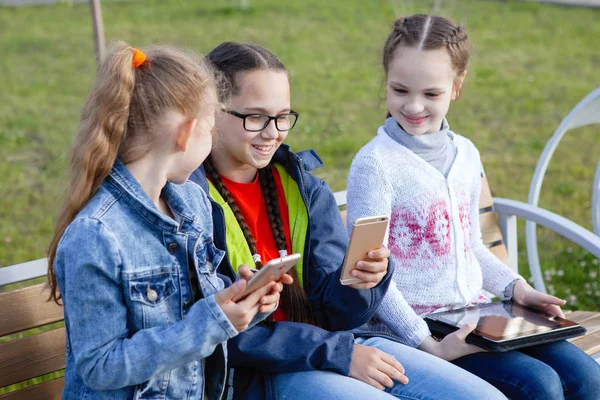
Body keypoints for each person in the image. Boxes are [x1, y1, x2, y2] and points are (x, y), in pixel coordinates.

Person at [190, 41, 507, 400]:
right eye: (256, 117)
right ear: (213, 111)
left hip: (339, 346)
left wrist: (363, 282)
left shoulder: (304, 189)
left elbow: (338, 313)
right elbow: (223, 333)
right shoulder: (190, 201)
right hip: (261, 375)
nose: (273, 132)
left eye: (283, 117)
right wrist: (340, 354)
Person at [346, 14, 600, 400]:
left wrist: (517, 288)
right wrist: (425, 342)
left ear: (457, 86)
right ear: (387, 82)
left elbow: (471, 246)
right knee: (540, 386)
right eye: (399, 90)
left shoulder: (465, 153)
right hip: (422, 327)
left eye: (431, 94)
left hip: (481, 315)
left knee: (586, 378)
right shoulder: (375, 165)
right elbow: (368, 274)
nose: (413, 106)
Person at [47, 42, 283, 399]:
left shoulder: (191, 202)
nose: (211, 142)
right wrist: (213, 323)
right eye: (211, 131)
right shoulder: (97, 235)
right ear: (186, 134)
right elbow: (100, 366)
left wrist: (247, 301)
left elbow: (200, 307)